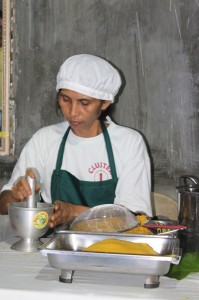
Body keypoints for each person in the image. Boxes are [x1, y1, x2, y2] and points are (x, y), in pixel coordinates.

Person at [0, 53, 152, 228]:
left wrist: (74, 212)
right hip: (57, 243)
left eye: (84, 103)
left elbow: (135, 219)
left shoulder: (129, 143)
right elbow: (2, 205)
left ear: (105, 103)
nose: (72, 112)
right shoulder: (45, 139)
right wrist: (16, 195)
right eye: (65, 100)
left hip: (112, 245)